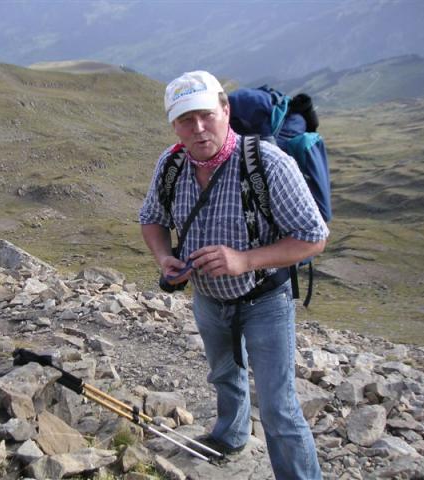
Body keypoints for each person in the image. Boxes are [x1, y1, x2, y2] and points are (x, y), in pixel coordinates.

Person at [139, 71, 328, 479]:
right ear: (174, 126)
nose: (198, 128)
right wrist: (164, 258)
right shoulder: (171, 164)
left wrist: (244, 260)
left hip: (266, 300)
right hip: (208, 299)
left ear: (225, 110)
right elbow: (151, 218)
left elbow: (314, 237)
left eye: (206, 115)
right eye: (186, 120)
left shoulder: (268, 164)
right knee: (225, 375)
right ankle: (231, 435)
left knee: (278, 408)